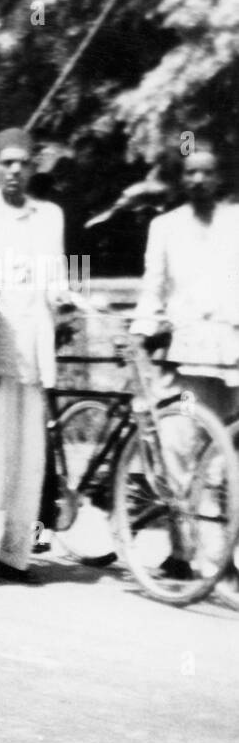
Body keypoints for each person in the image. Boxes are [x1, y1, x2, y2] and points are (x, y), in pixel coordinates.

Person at [0, 128, 66, 584]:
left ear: (34, 166)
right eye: (7, 163)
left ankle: (15, 556)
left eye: (24, 162)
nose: (16, 170)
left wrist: (72, 302)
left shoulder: (50, 215)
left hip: (36, 352)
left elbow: (57, 277)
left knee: (30, 460)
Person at [130, 142, 239, 579]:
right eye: (191, 173)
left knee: (224, 461)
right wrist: (140, 337)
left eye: (207, 172)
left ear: (220, 178)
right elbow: (152, 288)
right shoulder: (165, 227)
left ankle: (220, 557)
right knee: (181, 452)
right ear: (181, 179)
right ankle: (187, 554)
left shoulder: (235, 223)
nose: (198, 180)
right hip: (185, 360)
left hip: (230, 359)